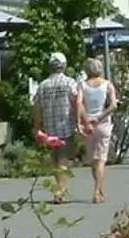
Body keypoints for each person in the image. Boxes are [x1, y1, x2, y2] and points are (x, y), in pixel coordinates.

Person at [30, 52, 81, 204]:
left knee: (55, 160)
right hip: (66, 125)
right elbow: (76, 102)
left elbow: (37, 107)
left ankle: (60, 189)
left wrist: (37, 126)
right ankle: (60, 191)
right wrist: (79, 121)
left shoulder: (43, 85)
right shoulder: (70, 83)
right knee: (63, 161)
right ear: (64, 66)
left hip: (49, 127)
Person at [77, 58, 118, 205]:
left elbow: (79, 103)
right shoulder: (107, 85)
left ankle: (99, 189)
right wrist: (100, 117)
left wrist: (83, 121)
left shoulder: (82, 85)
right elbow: (113, 105)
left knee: (93, 160)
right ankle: (97, 191)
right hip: (103, 124)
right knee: (101, 160)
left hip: (88, 125)